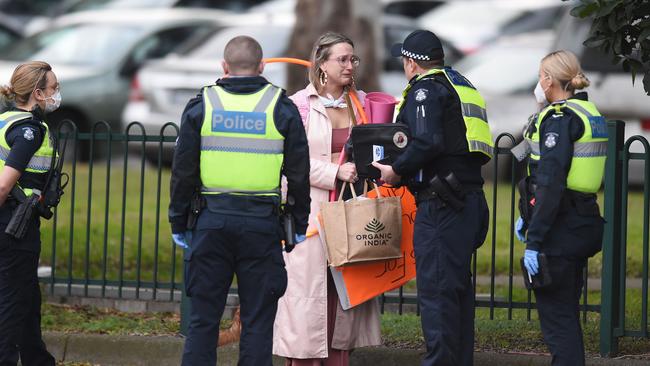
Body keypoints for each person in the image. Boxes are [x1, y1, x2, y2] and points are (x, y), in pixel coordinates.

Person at [169, 35, 311, 366]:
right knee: (258, 324)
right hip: (261, 228)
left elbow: (183, 172)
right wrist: (298, 224)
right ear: (262, 67)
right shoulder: (280, 106)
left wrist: (179, 222)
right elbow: (299, 174)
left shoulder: (202, 105)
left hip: (211, 224)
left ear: (224, 67)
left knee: (202, 322)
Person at [372, 30, 492, 366]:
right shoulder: (459, 84)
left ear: (411, 63)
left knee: (438, 295)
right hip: (468, 201)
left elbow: (427, 143)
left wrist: (396, 170)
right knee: (456, 295)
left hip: (442, 206)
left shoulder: (425, 90)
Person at [273, 32, 381, 366]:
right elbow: (286, 161)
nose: (351, 65)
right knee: (308, 300)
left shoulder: (362, 104)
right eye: (343, 59)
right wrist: (333, 171)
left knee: (343, 300)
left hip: (352, 215)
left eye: (354, 59)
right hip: (311, 217)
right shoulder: (298, 106)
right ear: (322, 64)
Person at [515, 50, 606, 366]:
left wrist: (534, 240)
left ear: (549, 79)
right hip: (580, 220)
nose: (538, 81)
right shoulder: (586, 111)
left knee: (558, 324)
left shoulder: (559, 119)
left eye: (541, 75)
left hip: (559, 229)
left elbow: (551, 182)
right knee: (566, 317)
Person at [0, 61, 59, 366]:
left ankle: (38, 360)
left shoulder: (4, 120)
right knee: (11, 306)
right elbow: (3, 185)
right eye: (53, 88)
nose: (57, 94)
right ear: (38, 93)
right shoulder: (28, 131)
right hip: (13, 228)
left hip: (14, 226)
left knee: (26, 301)